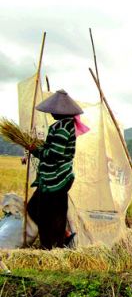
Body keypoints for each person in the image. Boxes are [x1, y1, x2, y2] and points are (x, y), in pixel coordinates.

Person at [26, 90, 86, 249]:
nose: (52, 112)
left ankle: (50, 246)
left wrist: (36, 150)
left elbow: (54, 154)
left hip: (56, 178)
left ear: (61, 112)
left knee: (45, 214)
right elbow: (53, 147)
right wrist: (39, 146)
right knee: (44, 210)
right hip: (55, 178)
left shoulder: (62, 127)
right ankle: (61, 240)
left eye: (54, 110)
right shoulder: (64, 125)